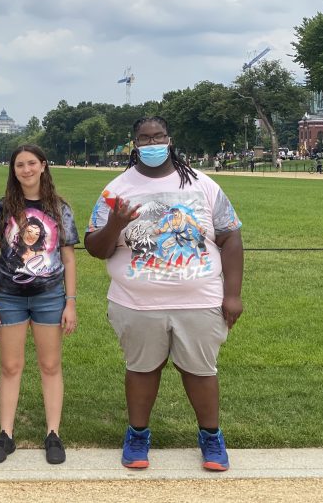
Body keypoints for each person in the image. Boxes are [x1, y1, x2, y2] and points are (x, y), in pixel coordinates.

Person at [84, 117, 243, 472]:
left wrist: (232, 295)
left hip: (199, 297)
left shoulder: (202, 184)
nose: (152, 143)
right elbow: (95, 248)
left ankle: (211, 438)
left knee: (201, 371)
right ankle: (137, 435)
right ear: (134, 143)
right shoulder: (117, 188)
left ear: (169, 140)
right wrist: (116, 224)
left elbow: (230, 236)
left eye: (158, 136)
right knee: (141, 369)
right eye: (145, 137)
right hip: (136, 301)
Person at [0, 144, 78, 466]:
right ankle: (5, 434)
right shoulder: (2, 208)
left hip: (49, 296)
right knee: (10, 367)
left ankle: (54, 433)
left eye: (31, 163)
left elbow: (68, 258)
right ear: (14, 170)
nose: (26, 169)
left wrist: (71, 302)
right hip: (8, 296)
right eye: (20, 164)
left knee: (50, 366)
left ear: (43, 166)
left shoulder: (59, 208)